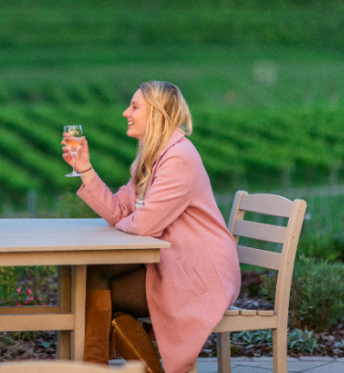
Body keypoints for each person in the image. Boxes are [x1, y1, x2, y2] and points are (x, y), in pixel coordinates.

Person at [62, 81, 240, 373]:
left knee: (95, 294)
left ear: (157, 113)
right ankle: (96, 367)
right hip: (170, 262)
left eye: (134, 107)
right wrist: (84, 169)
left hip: (198, 273)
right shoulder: (151, 157)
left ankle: (93, 368)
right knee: (93, 277)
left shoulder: (179, 158)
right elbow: (121, 210)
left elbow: (144, 224)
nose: (125, 113)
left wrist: (129, 220)